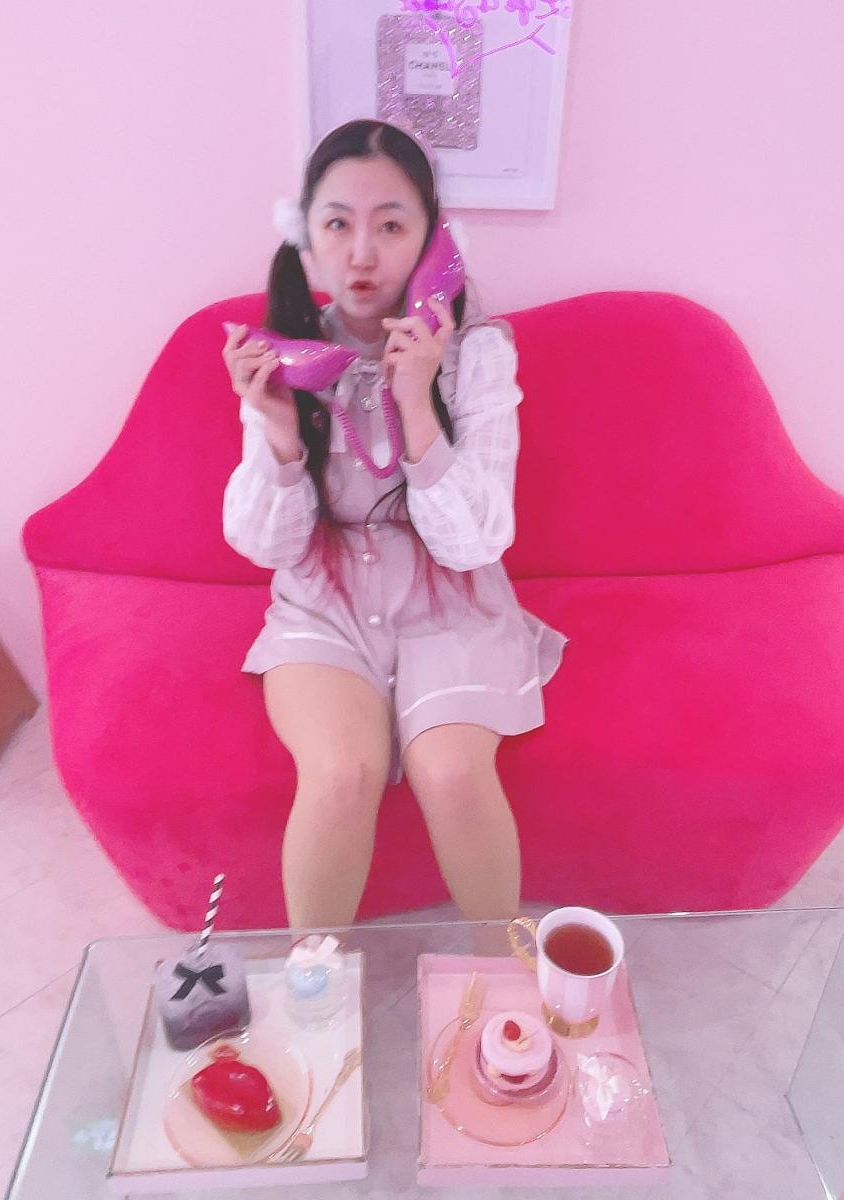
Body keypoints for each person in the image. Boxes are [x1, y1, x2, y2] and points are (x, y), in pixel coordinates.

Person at [221, 118, 567, 929]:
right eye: (338, 223)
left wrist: (417, 404)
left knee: (452, 772)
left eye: (390, 226)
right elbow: (266, 546)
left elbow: (479, 539)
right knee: (341, 773)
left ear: (433, 240)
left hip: (452, 600)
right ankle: (315, 988)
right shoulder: (287, 357)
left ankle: (501, 981)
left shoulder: (478, 355)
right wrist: (279, 431)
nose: (361, 254)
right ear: (305, 237)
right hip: (326, 609)